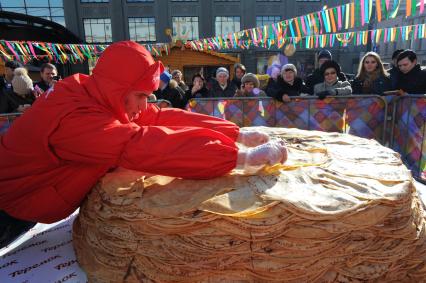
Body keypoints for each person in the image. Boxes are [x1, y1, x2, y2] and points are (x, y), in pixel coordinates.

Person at [0, 41, 287, 248]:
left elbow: (159, 116)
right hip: (9, 211)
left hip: (29, 201)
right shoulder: (77, 120)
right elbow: (143, 145)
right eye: (140, 95)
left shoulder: (97, 93)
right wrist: (239, 158)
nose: (145, 104)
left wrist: (235, 134)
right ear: (119, 89)